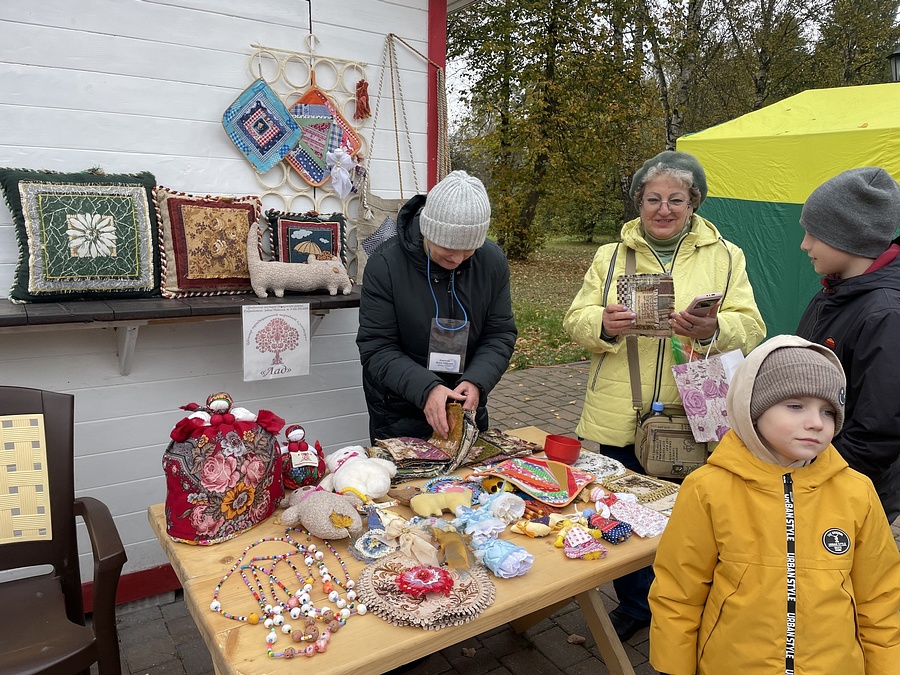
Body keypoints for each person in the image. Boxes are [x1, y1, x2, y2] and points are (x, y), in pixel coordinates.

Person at [563, 150, 765, 642]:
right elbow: (575, 320)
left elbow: (752, 326)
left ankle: (688, 608)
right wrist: (602, 324)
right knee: (623, 518)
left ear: (694, 201)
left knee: (689, 522)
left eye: (676, 199)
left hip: (695, 410)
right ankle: (635, 606)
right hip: (619, 411)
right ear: (639, 201)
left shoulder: (725, 255)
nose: (664, 209)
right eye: (653, 199)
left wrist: (715, 326)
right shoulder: (611, 255)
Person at [649, 334, 900, 674]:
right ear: (752, 407)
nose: (816, 422)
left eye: (828, 411)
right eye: (795, 406)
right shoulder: (706, 489)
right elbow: (679, 591)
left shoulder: (857, 492)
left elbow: (881, 597)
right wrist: (673, 666)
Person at [356, 170, 517, 443]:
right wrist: (428, 389)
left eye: (469, 250)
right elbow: (377, 347)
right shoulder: (385, 265)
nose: (457, 258)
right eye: (448, 247)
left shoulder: (491, 262)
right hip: (399, 411)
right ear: (429, 230)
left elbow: (499, 334)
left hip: (465, 405)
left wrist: (478, 381)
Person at [796, 166, 900, 523]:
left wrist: (813, 479)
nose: (804, 244)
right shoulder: (833, 293)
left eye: (814, 234)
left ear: (848, 237)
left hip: (844, 492)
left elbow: (878, 430)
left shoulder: (885, 314)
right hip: (814, 473)